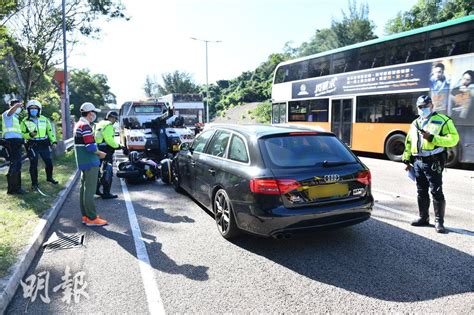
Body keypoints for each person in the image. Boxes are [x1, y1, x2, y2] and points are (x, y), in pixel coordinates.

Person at [402, 95, 459, 233]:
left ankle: (439, 222)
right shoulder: (415, 123)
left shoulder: (443, 121)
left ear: (432, 106)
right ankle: (423, 218)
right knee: (421, 191)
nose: (423, 109)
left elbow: (453, 139)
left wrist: (433, 138)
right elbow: (409, 142)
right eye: (420, 107)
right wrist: (407, 159)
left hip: (433, 162)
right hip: (417, 163)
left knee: (436, 192)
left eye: (426, 106)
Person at [74, 102, 108, 226]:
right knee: (90, 190)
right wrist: (100, 153)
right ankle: (92, 218)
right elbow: (90, 147)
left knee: (83, 189)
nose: (95, 115)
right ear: (89, 113)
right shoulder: (85, 126)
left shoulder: (78, 124)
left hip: (83, 162)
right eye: (94, 113)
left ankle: (86, 216)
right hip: (90, 161)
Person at [20, 100, 58, 190]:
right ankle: (34, 184)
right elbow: (21, 133)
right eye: (31, 109)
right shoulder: (24, 121)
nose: (33, 110)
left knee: (49, 161)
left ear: (39, 109)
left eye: (35, 108)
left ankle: (49, 178)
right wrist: (29, 135)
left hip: (44, 143)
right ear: (28, 110)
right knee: (34, 164)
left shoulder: (44, 119)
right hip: (32, 144)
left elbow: (50, 131)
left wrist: (53, 141)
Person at [1, 99, 26, 194]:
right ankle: (13, 189)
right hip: (11, 142)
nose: (19, 108)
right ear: (11, 106)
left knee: (17, 164)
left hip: (17, 142)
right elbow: (11, 111)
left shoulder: (15, 118)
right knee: (15, 163)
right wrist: (17, 106)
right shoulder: (7, 114)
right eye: (16, 106)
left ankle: (16, 187)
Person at [94, 111, 120, 199]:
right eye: (115, 119)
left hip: (98, 149)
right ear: (112, 118)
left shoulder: (100, 123)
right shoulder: (108, 125)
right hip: (106, 150)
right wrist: (118, 146)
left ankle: (96, 189)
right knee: (107, 171)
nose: (115, 121)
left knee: (99, 170)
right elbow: (109, 139)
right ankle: (106, 193)